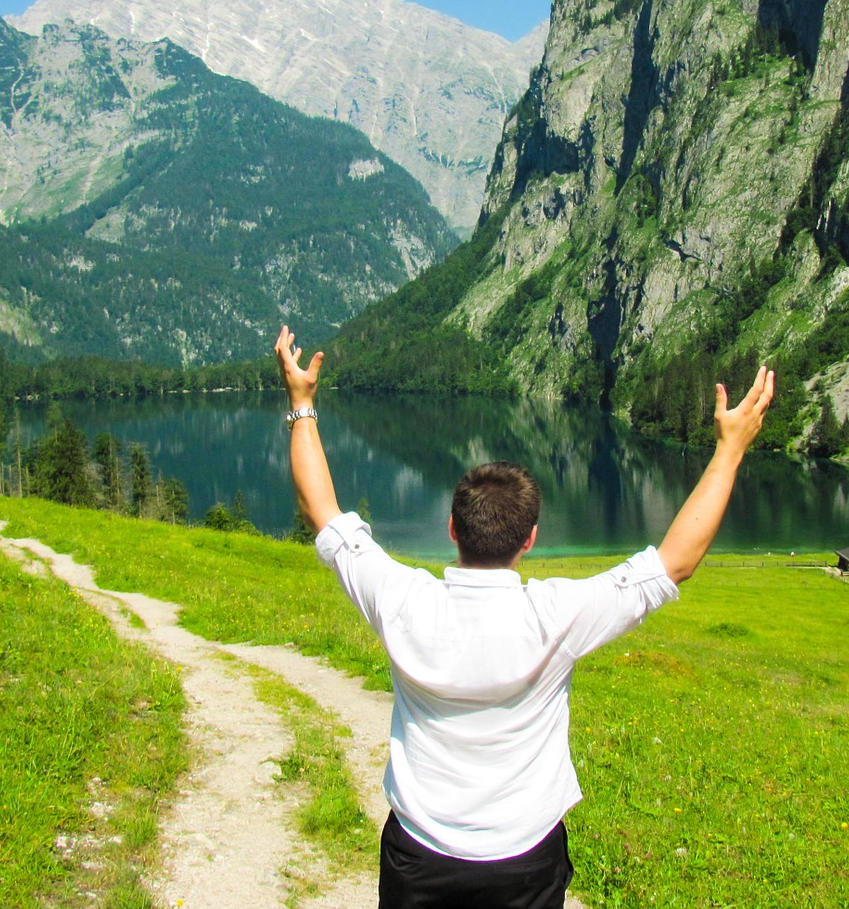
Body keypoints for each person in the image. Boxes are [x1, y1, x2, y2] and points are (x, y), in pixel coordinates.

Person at [274, 325, 775, 909]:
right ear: (531, 538)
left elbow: (322, 511)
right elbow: (675, 562)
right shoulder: (556, 614)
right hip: (524, 861)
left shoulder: (403, 600)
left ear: (453, 529)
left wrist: (302, 404)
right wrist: (730, 446)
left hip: (418, 856)